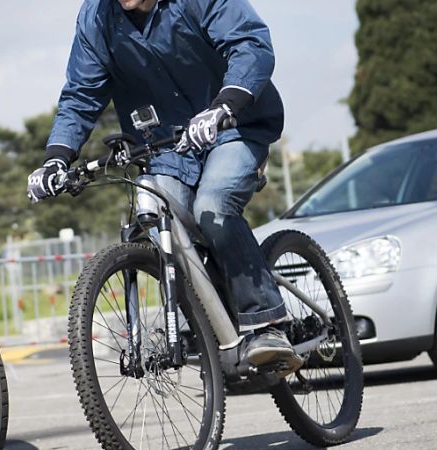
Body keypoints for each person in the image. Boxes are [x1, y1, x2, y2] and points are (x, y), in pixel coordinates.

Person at [27, 0, 300, 372]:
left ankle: (266, 322)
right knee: (158, 218)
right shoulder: (97, 17)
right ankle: (210, 323)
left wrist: (224, 106)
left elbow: (249, 44)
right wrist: (56, 158)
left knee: (213, 206)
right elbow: (80, 95)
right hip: (168, 146)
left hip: (235, 126)